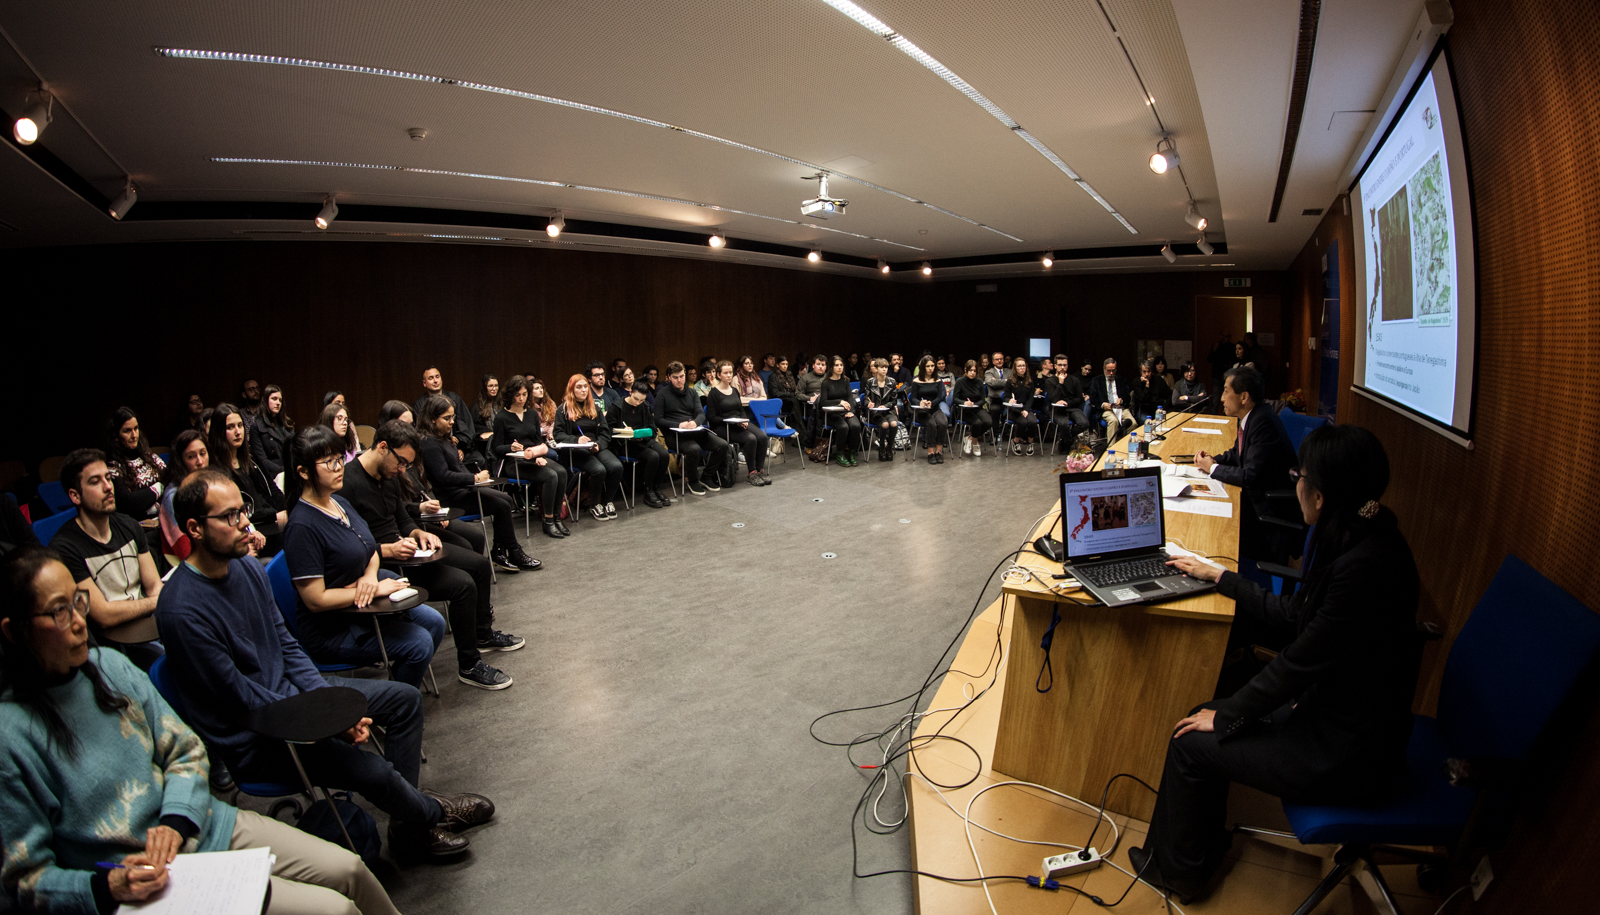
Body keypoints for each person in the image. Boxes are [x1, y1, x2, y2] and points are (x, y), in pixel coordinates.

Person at [0, 545, 406, 913]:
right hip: (140, 883)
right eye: (58, 611)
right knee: (334, 910)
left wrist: (176, 819)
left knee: (351, 869)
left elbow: (185, 749)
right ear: (13, 630)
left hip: (198, 823)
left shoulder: (111, 667)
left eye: (78, 601)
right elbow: (24, 880)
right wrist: (105, 886)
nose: (77, 621)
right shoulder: (12, 734)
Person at [1138, 425, 1421, 902]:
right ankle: (1197, 850)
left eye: (1299, 475)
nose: (1295, 484)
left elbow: (1296, 664)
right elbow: (1296, 616)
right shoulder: (1366, 532)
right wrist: (1219, 575)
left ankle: (1181, 876)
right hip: (1347, 716)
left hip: (1345, 751)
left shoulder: (1361, 568)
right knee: (1208, 714)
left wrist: (1228, 715)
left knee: (1190, 739)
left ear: (1322, 494)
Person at [157, 470, 495, 858]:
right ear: (195, 529)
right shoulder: (182, 610)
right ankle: (429, 813)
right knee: (373, 770)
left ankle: (408, 826)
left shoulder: (246, 568)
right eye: (231, 516)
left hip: (296, 699)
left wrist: (325, 700)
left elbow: (286, 645)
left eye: (243, 509)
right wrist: (330, 719)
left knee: (403, 701)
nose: (246, 524)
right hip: (259, 736)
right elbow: (242, 698)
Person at [343, 421, 521, 690]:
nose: (402, 470)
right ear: (382, 448)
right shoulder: (348, 483)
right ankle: (469, 664)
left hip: (409, 550)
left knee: (480, 565)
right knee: (463, 585)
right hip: (385, 564)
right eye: (401, 462)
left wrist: (417, 533)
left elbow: (401, 517)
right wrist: (387, 549)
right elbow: (348, 545)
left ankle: (482, 635)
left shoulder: (388, 475)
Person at [280, 425, 447, 689]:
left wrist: (369, 577)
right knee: (419, 642)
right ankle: (395, 704)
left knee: (435, 623)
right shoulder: (302, 526)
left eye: (339, 459)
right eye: (329, 462)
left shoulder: (338, 502)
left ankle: (399, 691)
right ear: (303, 472)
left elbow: (369, 548)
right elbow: (316, 600)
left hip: (361, 605)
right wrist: (375, 589)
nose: (339, 467)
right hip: (334, 629)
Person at [48, 449, 165, 670]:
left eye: (108, 478)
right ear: (75, 496)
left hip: (149, 625)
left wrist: (156, 602)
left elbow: (154, 585)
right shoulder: (65, 548)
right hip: (112, 642)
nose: (108, 487)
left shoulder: (129, 526)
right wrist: (154, 603)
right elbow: (103, 616)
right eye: (95, 481)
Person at [416, 395, 540, 571]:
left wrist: (478, 481)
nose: (452, 422)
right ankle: (511, 551)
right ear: (432, 419)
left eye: (453, 417)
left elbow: (459, 467)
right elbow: (443, 476)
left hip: (462, 490)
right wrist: (474, 479)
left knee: (506, 500)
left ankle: (500, 550)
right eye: (447, 418)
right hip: (449, 499)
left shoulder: (444, 438)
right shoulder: (428, 443)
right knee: (502, 506)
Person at [1194, 365, 1297, 562]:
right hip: (1255, 501)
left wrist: (1212, 468)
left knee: (1213, 531)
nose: (1222, 398)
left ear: (1244, 397)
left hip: (1265, 515)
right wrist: (1213, 460)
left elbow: (1250, 476)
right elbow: (1237, 453)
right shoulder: (1254, 416)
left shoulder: (1263, 422)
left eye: (1226, 391)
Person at [490, 375, 572, 536]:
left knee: (561, 472)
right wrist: (510, 447)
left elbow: (536, 440)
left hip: (533, 457)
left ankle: (557, 517)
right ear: (510, 395)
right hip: (513, 463)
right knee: (550, 476)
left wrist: (538, 455)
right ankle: (547, 520)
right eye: (517, 395)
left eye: (524, 394)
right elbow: (496, 448)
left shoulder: (532, 415)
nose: (521, 398)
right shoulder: (502, 417)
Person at [209, 403, 288, 550]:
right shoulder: (216, 471)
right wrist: (275, 516)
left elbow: (272, 489)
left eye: (240, 425)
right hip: (252, 528)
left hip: (273, 520)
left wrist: (285, 509)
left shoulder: (251, 458)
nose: (238, 431)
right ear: (219, 432)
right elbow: (236, 511)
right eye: (230, 427)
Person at [657, 362, 733, 496]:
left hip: (694, 430)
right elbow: (658, 419)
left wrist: (695, 422)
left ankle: (706, 476)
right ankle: (693, 480)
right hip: (674, 434)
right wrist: (678, 425)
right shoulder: (662, 394)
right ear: (668, 377)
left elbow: (700, 413)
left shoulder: (691, 392)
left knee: (722, 445)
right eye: (675, 377)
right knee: (694, 449)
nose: (679, 380)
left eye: (681, 376)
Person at [558, 374, 628, 518]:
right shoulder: (563, 409)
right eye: (579, 387)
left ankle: (608, 501)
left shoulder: (594, 407)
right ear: (571, 390)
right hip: (576, 451)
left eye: (585, 387)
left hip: (595, 446)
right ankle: (595, 504)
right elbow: (558, 434)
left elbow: (604, 431)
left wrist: (599, 444)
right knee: (599, 470)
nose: (583, 390)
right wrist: (576, 440)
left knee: (616, 466)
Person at [610, 380, 673, 507]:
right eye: (636, 399)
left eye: (641, 400)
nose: (638, 403)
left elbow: (652, 427)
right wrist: (623, 431)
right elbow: (608, 429)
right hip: (625, 444)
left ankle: (657, 487)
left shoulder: (644, 406)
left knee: (664, 454)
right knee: (653, 456)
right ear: (630, 392)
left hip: (642, 440)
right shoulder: (617, 407)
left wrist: (645, 434)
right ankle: (648, 491)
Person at [706, 360, 770, 486]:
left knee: (762, 437)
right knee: (750, 439)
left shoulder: (734, 390)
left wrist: (744, 420)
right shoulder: (714, 393)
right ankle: (751, 473)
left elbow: (740, 410)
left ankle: (759, 470)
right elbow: (712, 418)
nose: (729, 375)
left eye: (730, 372)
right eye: (726, 373)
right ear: (719, 375)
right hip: (722, 426)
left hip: (738, 423)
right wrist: (733, 422)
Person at [104, 407, 165, 521]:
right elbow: (129, 503)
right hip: (140, 528)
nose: (134, 435)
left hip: (164, 520)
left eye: (136, 429)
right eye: (127, 431)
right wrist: (159, 487)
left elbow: (172, 480)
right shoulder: (113, 466)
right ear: (116, 436)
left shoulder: (150, 456)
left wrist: (148, 502)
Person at [413, 367, 480, 464]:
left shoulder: (454, 398)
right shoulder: (420, 404)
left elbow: (467, 426)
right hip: (435, 446)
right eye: (431, 378)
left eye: (437, 377)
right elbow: (421, 431)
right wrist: (445, 439)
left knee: (479, 459)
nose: (435, 381)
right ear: (424, 383)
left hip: (459, 446)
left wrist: (461, 447)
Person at [821, 355, 863, 466]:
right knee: (843, 427)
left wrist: (851, 411)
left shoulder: (845, 381)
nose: (840, 367)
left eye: (841, 365)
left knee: (855, 425)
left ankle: (852, 452)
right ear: (831, 368)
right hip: (831, 413)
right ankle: (840, 453)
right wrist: (839, 401)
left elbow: (850, 398)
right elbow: (823, 402)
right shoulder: (826, 383)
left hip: (845, 411)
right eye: (836, 365)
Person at [908, 355, 950, 463]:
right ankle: (930, 452)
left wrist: (932, 403)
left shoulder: (938, 380)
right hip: (921, 410)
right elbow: (913, 398)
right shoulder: (916, 380)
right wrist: (920, 402)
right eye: (928, 366)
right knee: (931, 424)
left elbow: (940, 397)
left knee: (943, 422)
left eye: (932, 366)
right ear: (923, 367)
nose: (931, 368)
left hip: (934, 408)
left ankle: (939, 452)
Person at [249, 384, 294, 480]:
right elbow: (261, 460)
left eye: (280, 400)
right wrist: (283, 471)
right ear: (265, 401)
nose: (278, 403)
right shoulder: (256, 427)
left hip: (291, 473)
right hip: (272, 477)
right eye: (274, 399)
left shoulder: (287, 425)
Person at [861, 358, 901, 462]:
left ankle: (889, 447)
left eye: (886, 367)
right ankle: (882, 447)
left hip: (888, 410)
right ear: (876, 368)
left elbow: (894, 400)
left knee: (893, 423)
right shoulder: (870, 382)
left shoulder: (892, 382)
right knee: (884, 424)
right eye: (882, 367)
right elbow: (865, 398)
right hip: (875, 413)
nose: (884, 369)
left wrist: (886, 405)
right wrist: (868, 404)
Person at [1042, 354, 1089, 442]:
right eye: (1060, 365)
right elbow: (1053, 399)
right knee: (1064, 425)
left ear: (1067, 366)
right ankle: (1065, 443)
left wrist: (1067, 403)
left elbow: (1080, 398)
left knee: (1084, 424)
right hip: (1057, 409)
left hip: (1072, 407)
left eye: (1065, 365)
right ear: (1055, 366)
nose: (1062, 367)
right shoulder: (1049, 381)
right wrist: (1060, 383)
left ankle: (1064, 438)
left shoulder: (1074, 380)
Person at [1002, 356, 1042, 455]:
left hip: (1026, 408)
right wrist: (1010, 400)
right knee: (1023, 422)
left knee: (1033, 421)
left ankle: (1030, 442)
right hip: (1014, 409)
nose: (1022, 368)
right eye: (1019, 366)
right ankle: (1015, 441)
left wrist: (1026, 410)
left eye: (1023, 366)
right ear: (1015, 368)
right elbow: (1006, 397)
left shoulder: (1029, 381)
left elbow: (1030, 398)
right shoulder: (1010, 382)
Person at [952, 360, 992, 457]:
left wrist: (975, 404)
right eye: (970, 370)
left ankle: (970, 438)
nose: (972, 373)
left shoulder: (979, 382)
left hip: (976, 407)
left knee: (988, 422)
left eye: (974, 371)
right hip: (964, 409)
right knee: (977, 423)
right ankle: (975, 443)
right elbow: (955, 399)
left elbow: (983, 399)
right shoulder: (960, 382)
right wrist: (964, 402)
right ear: (966, 370)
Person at [1090, 358, 1132, 442]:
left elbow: (1128, 397)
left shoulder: (1121, 380)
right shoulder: (1097, 381)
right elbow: (1093, 398)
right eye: (1109, 371)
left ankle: (1126, 446)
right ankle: (1111, 449)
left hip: (1120, 408)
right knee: (1114, 421)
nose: (1111, 373)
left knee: (1132, 423)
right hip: (1106, 409)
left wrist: (1122, 400)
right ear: (1104, 369)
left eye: (1113, 370)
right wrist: (1102, 404)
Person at [472, 374, 501, 455]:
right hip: (485, 445)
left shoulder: (502, 403)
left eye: (496, 385)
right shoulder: (476, 406)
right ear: (485, 388)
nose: (494, 388)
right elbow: (475, 426)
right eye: (490, 386)